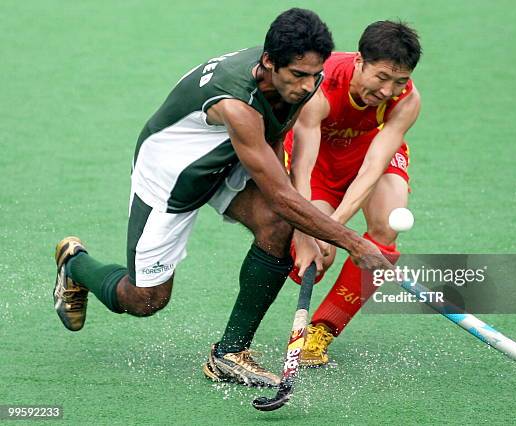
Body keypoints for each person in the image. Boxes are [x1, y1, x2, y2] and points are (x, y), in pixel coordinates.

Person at [53, 8, 391, 388]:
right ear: (268, 63)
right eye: (298, 76)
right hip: (173, 174)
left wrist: (304, 232)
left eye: (315, 75)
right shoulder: (236, 102)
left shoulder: (298, 79)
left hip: (231, 154)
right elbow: (280, 194)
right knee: (146, 299)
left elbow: (276, 142)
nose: (307, 86)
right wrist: (353, 243)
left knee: (279, 226)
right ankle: (75, 266)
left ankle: (229, 353)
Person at [284, 20, 422, 366]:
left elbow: (374, 167)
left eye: (400, 81)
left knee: (386, 230)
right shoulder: (321, 84)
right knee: (316, 259)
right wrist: (314, 231)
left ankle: (323, 329)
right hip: (318, 161)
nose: (389, 90)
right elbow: (302, 167)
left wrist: (337, 227)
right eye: (382, 77)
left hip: (366, 153)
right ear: (360, 61)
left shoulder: (407, 100)